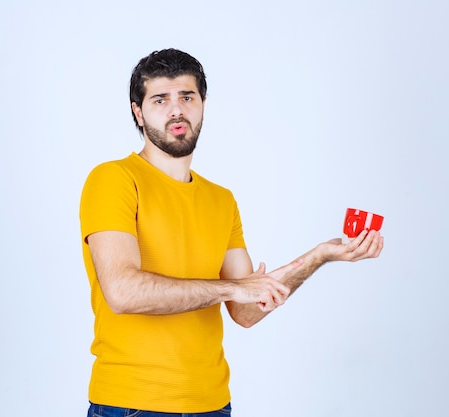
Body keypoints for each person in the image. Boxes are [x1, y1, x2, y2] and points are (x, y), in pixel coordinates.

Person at [79, 48, 384, 417]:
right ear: (138, 112)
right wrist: (231, 288)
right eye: (160, 99)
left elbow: (245, 310)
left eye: (187, 97)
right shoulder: (113, 180)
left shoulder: (221, 200)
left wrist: (320, 256)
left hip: (214, 404)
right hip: (133, 404)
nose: (176, 110)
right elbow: (123, 293)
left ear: (203, 104)